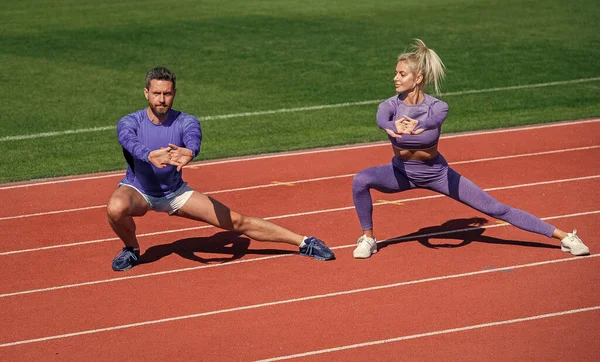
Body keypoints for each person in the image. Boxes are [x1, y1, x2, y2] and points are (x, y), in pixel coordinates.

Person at [351, 39, 590, 259]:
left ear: (418, 78)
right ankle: (368, 238)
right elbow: (382, 120)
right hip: (401, 172)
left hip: (438, 174)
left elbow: (432, 126)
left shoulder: (438, 106)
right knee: (361, 180)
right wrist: (394, 126)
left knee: (495, 208)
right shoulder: (389, 106)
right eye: (395, 73)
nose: (395, 78)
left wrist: (416, 126)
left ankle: (565, 236)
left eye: (401, 74)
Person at [107, 67, 335, 271]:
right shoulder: (131, 121)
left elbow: (193, 137)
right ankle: (132, 249)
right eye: (157, 94)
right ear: (146, 93)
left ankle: (305, 242)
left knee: (237, 222)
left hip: (175, 194)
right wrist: (148, 155)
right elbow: (127, 140)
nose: (162, 99)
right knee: (116, 207)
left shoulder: (186, 121)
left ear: (174, 93)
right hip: (139, 191)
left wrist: (191, 151)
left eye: (167, 94)